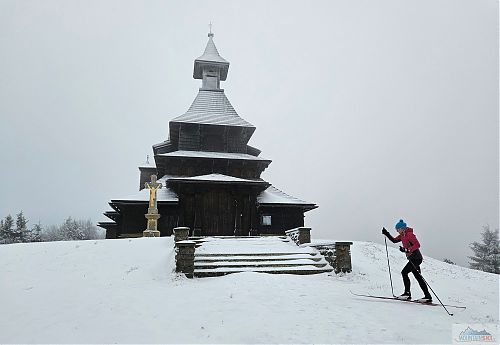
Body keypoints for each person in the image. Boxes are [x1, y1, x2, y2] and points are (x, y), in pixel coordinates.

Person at [382, 219, 433, 303]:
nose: (397, 231)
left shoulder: (409, 234)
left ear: (402, 228)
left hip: (416, 258)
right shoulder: (402, 235)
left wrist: (407, 249)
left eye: (398, 229)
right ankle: (427, 296)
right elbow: (394, 240)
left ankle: (407, 294)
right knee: (418, 277)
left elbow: (417, 245)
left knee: (404, 272)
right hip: (413, 258)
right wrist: (386, 233)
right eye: (396, 230)